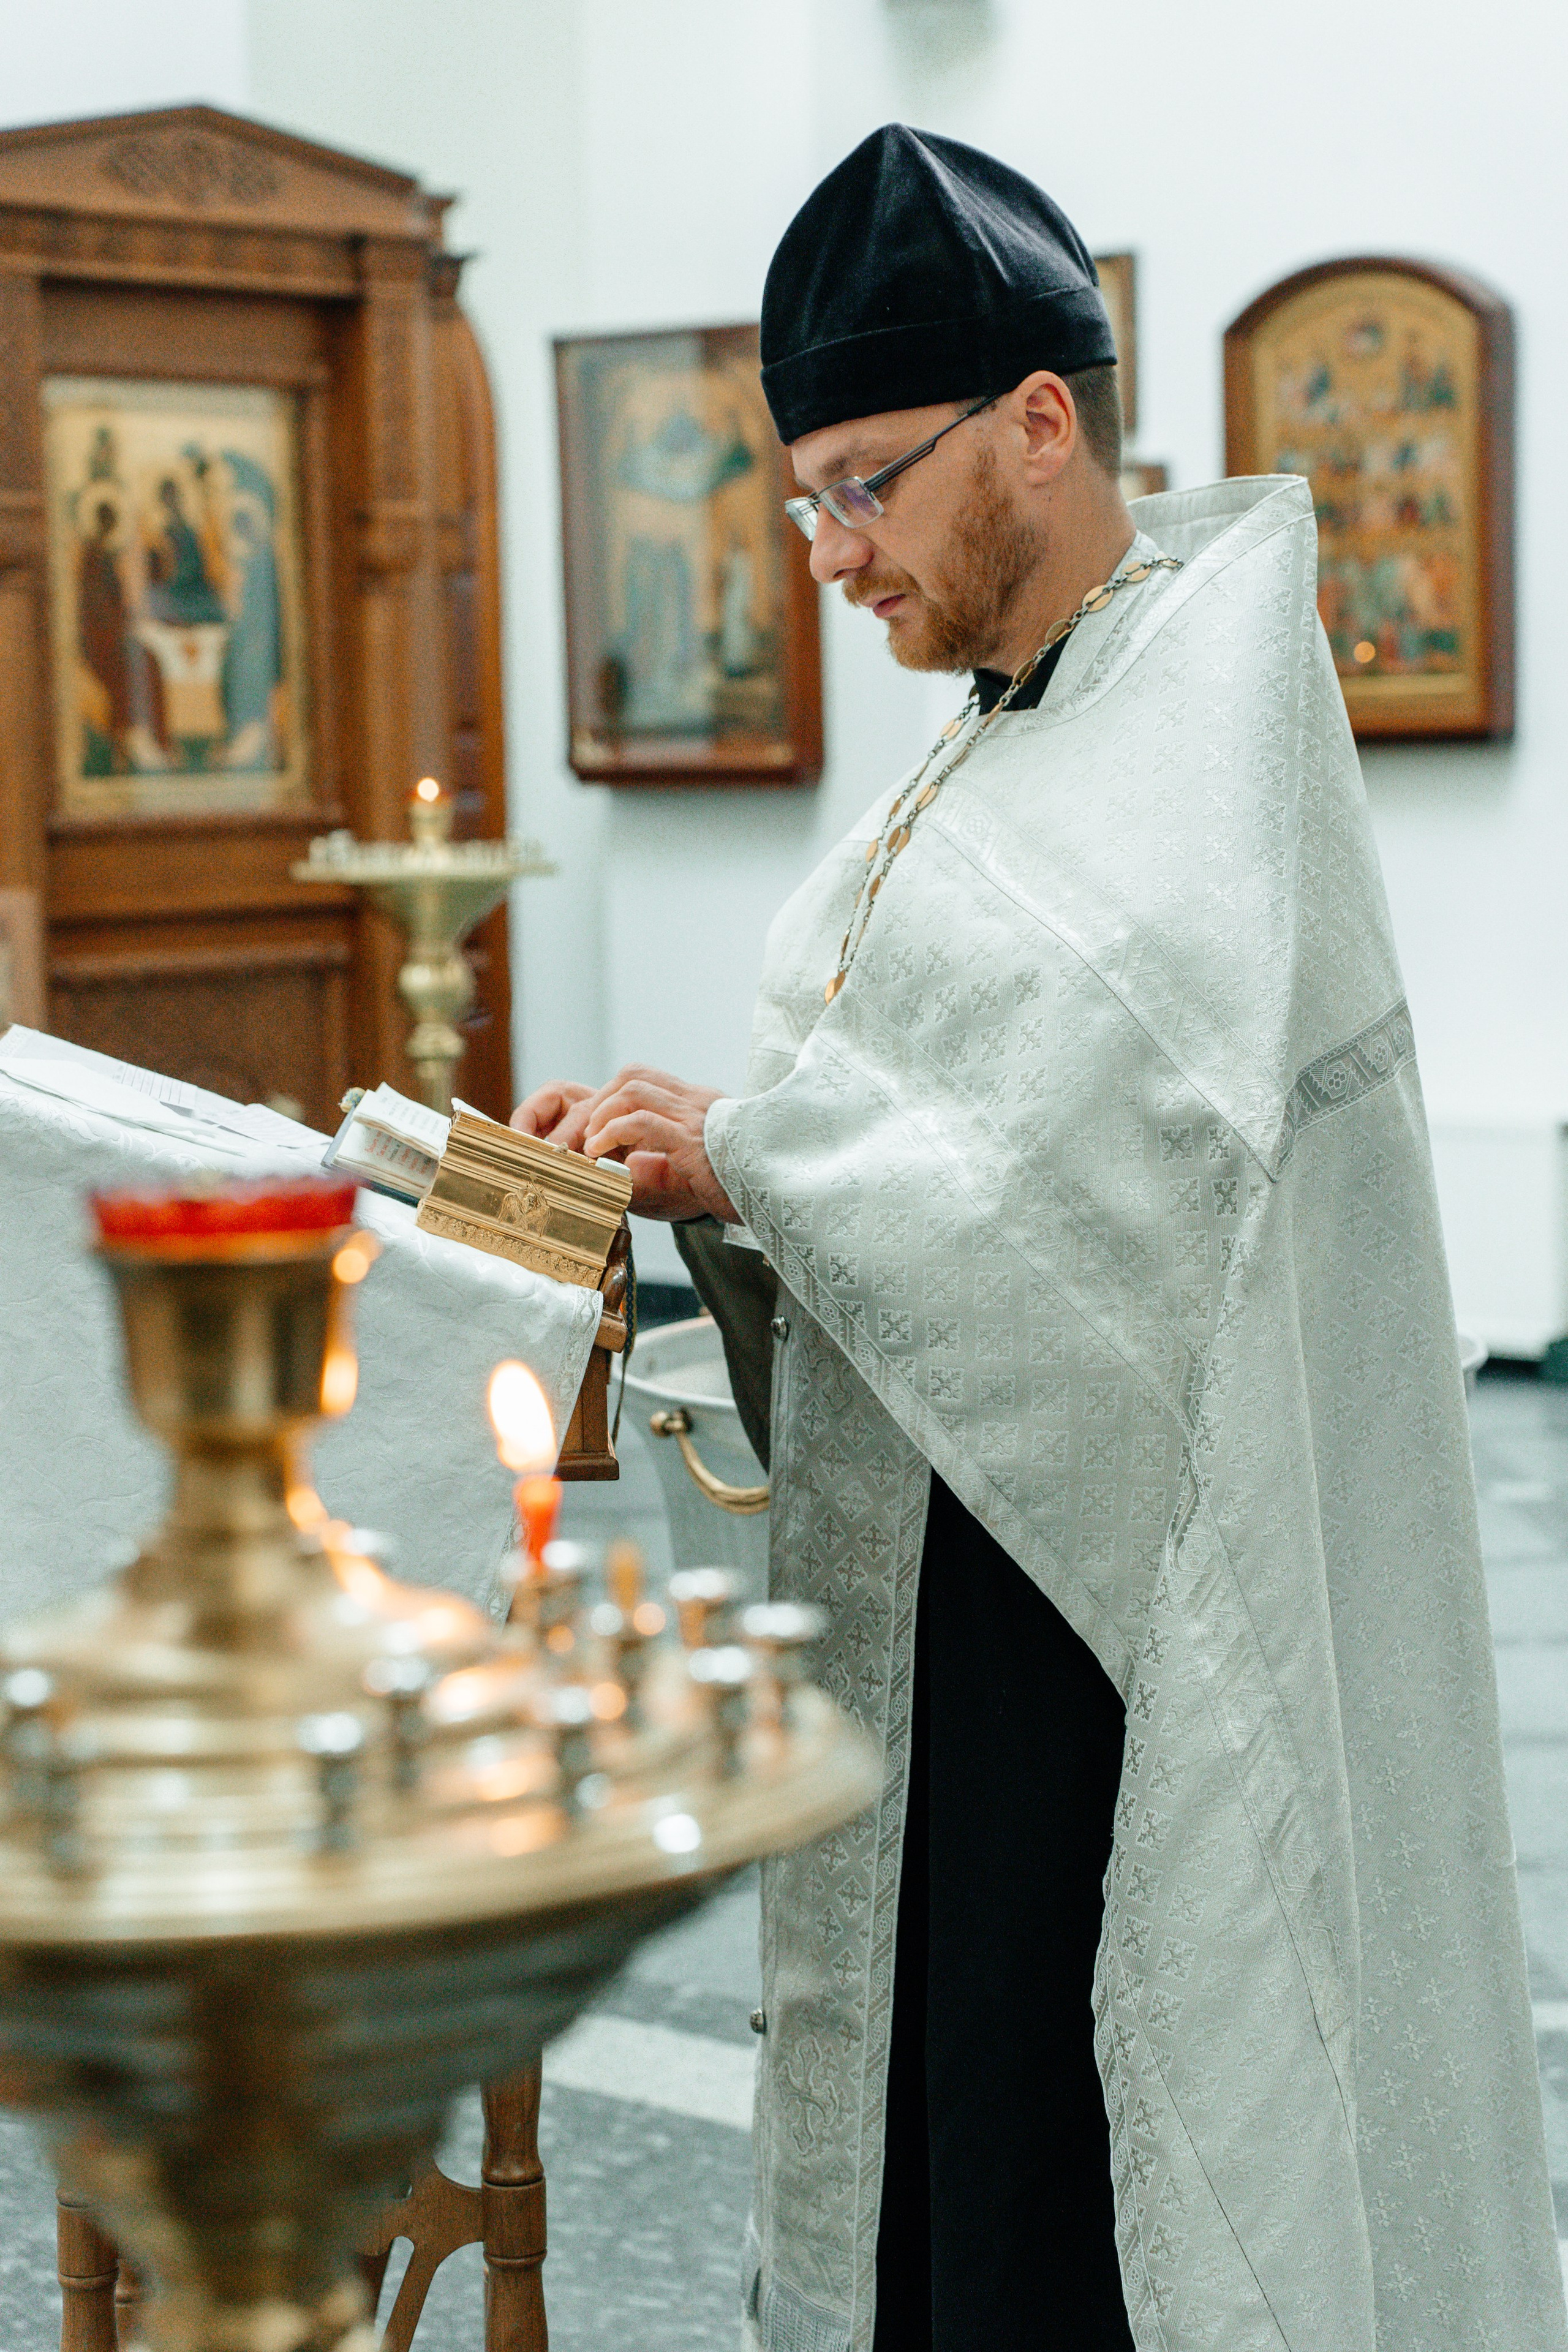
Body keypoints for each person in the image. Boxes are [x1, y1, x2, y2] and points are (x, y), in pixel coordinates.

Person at [512, 127, 1563, 2352]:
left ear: (1042, 421)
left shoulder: (1205, 716)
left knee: (1061, 2175)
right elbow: (933, 1126)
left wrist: (765, 1159)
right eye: (802, 502)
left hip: (1125, 1627)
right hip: (957, 1585)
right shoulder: (1000, 735)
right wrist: (691, 1167)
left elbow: (1093, 1171)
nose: (829, 554)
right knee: (941, 2150)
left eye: (864, 486)